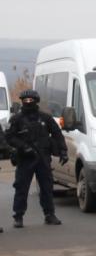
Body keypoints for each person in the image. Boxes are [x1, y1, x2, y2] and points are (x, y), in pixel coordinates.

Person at [7, 89, 67, 228]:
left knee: (46, 187)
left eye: (31, 100)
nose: (28, 102)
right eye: (25, 100)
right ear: (22, 101)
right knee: (21, 188)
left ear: (36, 101)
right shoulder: (16, 119)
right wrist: (22, 146)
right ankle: (18, 216)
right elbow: (9, 137)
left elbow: (57, 134)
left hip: (43, 158)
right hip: (25, 159)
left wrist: (63, 151)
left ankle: (49, 214)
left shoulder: (46, 118)